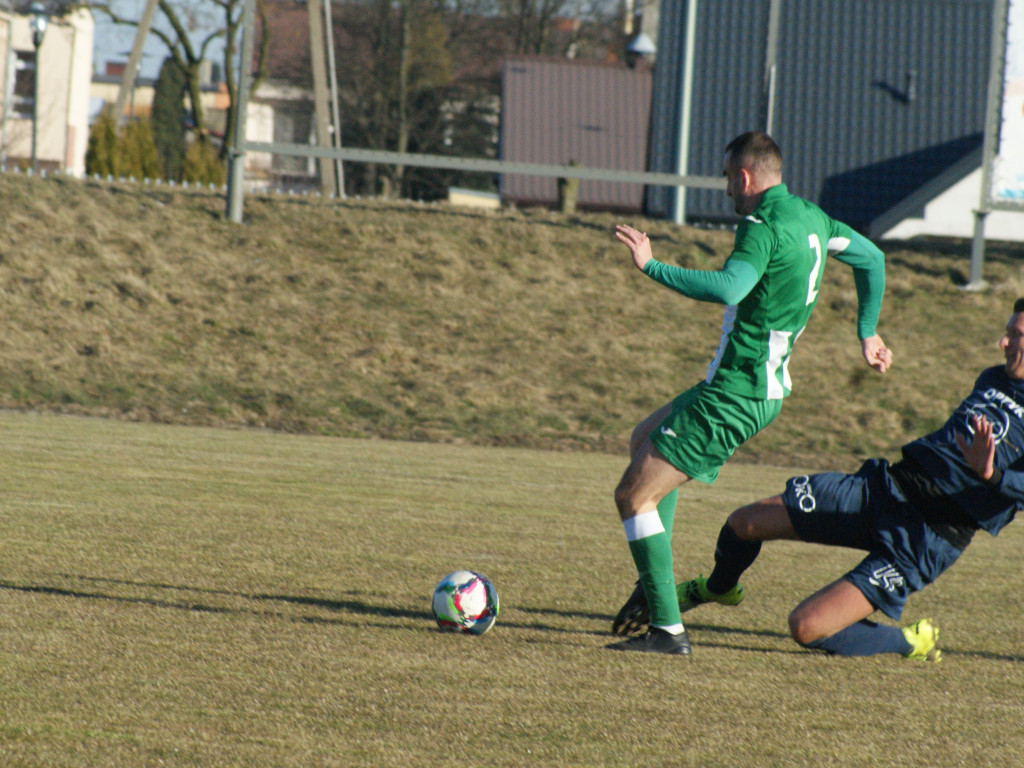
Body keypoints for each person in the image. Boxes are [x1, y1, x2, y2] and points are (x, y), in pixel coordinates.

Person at [608, 131, 892, 655]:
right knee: (643, 438)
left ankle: (667, 631)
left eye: (726, 179)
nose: (726, 190)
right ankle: (656, 591)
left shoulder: (760, 227)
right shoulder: (813, 218)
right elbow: (872, 258)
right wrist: (867, 331)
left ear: (743, 177)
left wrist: (652, 264)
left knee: (633, 496)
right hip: (749, 388)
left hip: (735, 395)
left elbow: (728, 288)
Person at [666, 299, 1024, 661]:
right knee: (744, 522)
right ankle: (717, 588)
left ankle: (910, 641)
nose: (1003, 343)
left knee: (806, 626)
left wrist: (993, 477)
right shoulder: (994, 377)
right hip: (884, 489)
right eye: (1007, 332)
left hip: (926, 538)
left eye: (1016, 335)